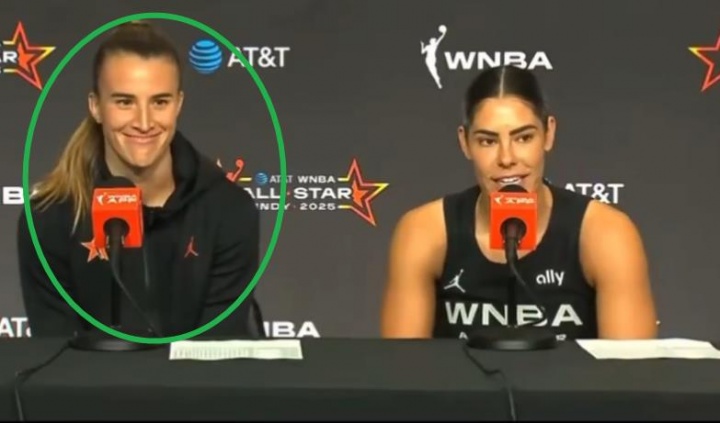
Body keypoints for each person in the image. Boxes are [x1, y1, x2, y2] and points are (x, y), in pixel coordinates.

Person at [16, 21, 263, 339]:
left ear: (178, 105)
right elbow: (56, 352)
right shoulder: (47, 218)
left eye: (160, 102)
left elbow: (216, 351)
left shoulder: (229, 210)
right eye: (124, 102)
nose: (144, 122)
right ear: (96, 106)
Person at [380, 65, 658, 341]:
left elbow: (628, 368)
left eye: (524, 138)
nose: (507, 158)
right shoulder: (424, 232)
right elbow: (403, 365)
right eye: (487, 141)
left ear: (548, 133)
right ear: (464, 142)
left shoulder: (606, 233)